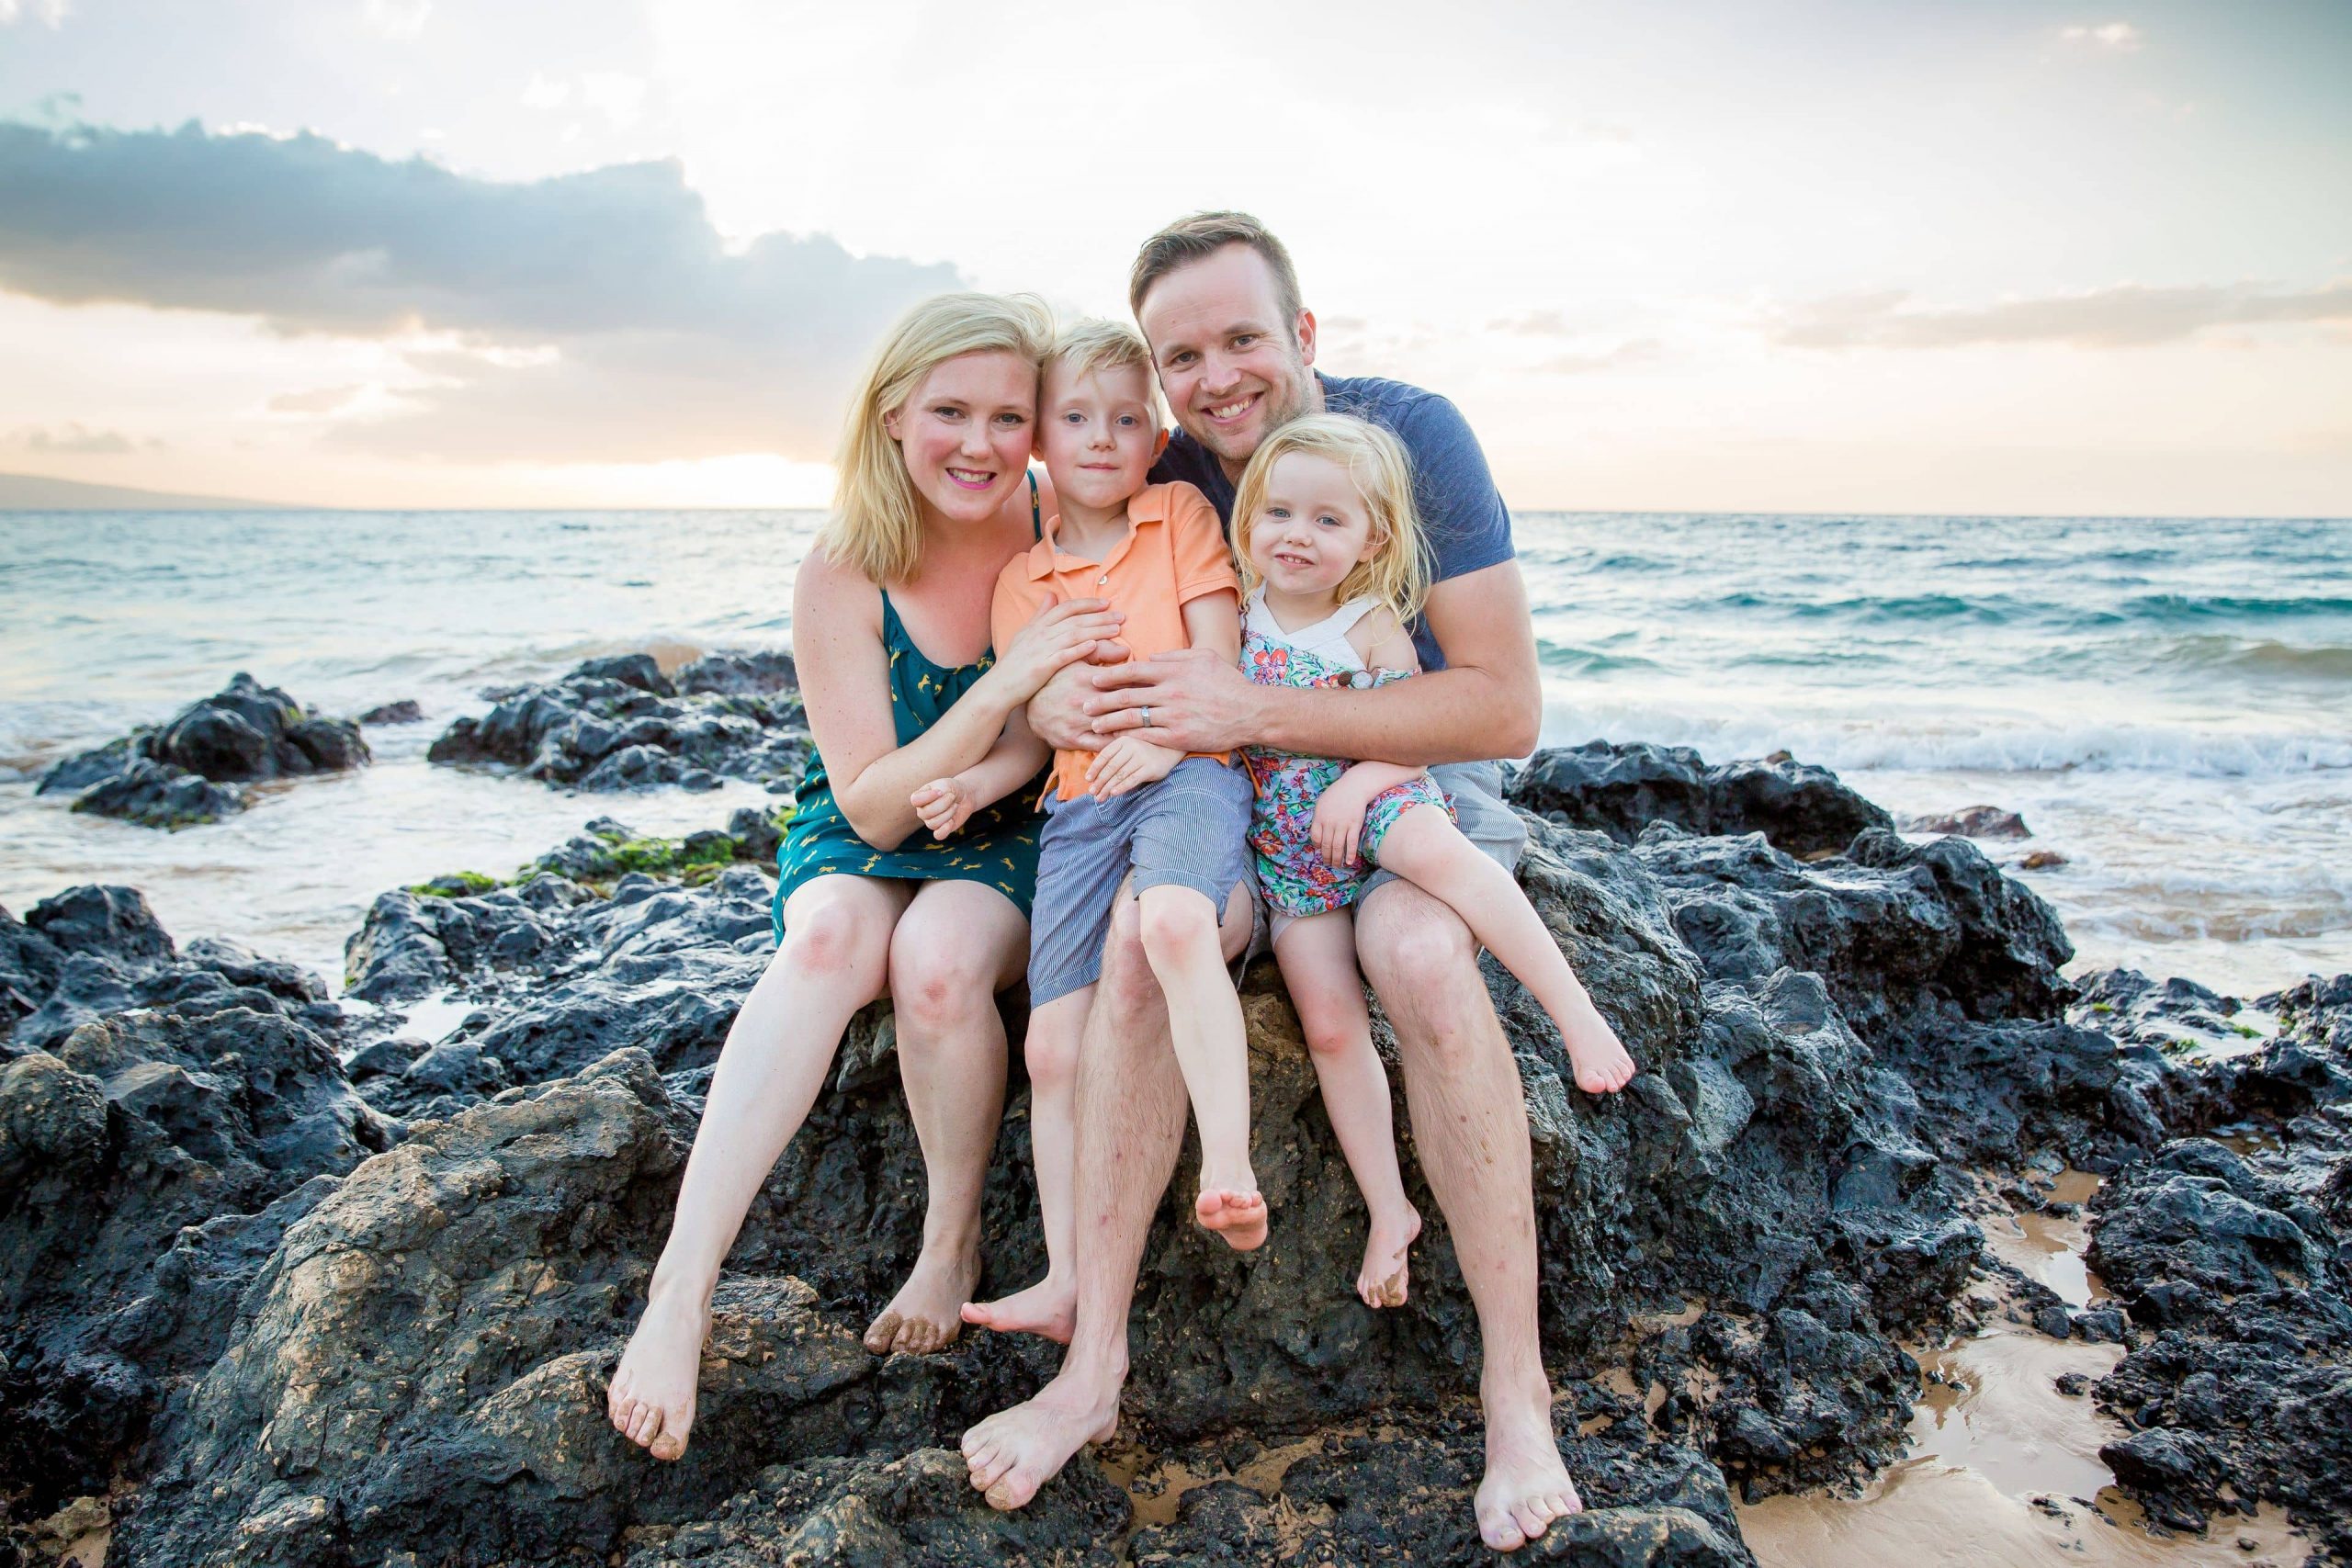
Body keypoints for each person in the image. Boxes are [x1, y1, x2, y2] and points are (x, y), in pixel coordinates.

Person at [962, 213, 1602, 1553]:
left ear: (1302, 335)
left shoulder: (1412, 434)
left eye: (1242, 337)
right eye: (1180, 352)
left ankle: (1515, 1388)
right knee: (1150, 931)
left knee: (1423, 958)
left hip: (1395, 780)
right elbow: (1038, 577)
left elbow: (1501, 705)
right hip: (1228, 801)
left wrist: (1258, 711)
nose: (1213, 376)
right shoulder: (1164, 458)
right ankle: (1091, 1372)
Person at [605, 292, 1126, 1463]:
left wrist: (1001, 752)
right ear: (894, 415)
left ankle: (948, 1243)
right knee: (834, 939)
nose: (981, 445)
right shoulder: (844, 565)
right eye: (951, 411)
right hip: (862, 823)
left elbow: (1062, 723)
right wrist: (1000, 689)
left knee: (939, 967)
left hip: (1006, 820)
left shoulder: (1057, 528)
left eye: (1008, 416)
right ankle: (680, 1290)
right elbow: (871, 802)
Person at [1232, 412, 1636, 1311]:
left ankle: (1575, 1016)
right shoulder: (1236, 612)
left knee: (1441, 854)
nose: (1298, 535)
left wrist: (1353, 790)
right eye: (1280, 513)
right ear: (1251, 517)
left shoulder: (1369, 624)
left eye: (1328, 521)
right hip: (1289, 854)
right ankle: (1389, 1210)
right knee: (1330, 1026)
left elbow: (1414, 739)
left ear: (1371, 539)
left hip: (1375, 802)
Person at [917, 321, 1257, 1348]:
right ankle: (1065, 1279)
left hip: (1188, 776)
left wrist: (1163, 745)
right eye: (1075, 418)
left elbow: (1220, 666)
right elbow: (1032, 734)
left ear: (1155, 439)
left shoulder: (1179, 515)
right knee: (1054, 1043)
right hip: (1075, 815)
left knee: (1173, 927)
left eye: (1124, 420)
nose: (1101, 439)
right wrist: (971, 783)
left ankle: (1229, 1165)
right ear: (1039, 445)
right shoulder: (1023, 582)